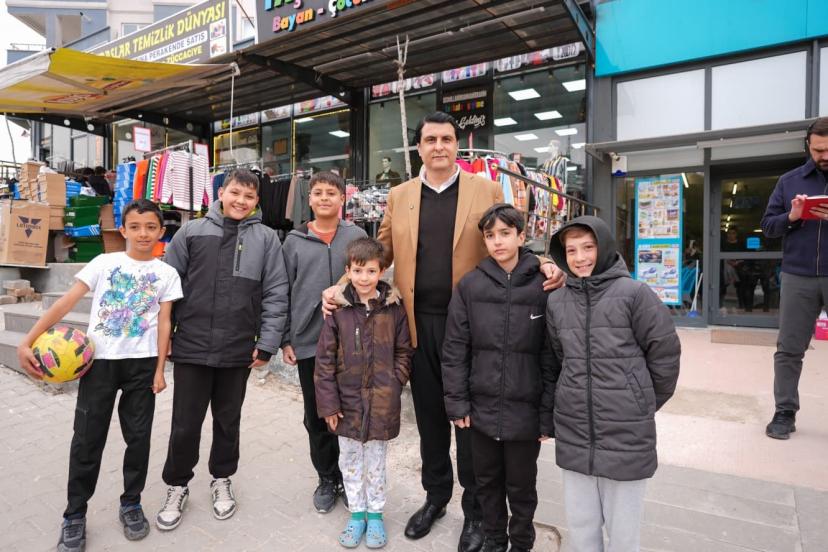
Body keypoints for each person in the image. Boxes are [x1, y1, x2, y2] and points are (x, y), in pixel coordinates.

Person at [323, 112, 565, 552]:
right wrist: (342, 287)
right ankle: (435, 496)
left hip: (473, 326)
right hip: (417, 325)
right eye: (431, 139)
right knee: (431, 421)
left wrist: (545, 263)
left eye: (447, 139)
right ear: (419, 147)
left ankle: (476, 510)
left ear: (457, 145)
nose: (439, 146)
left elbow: (506, 239)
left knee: (469, 423)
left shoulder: (485, 189)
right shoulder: (400, 195)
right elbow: (380, 253)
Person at [17, 199, 183, 552]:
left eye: (150, 227)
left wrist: (159, 370)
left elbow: (165, 322)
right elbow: (65, 302)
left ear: (161, 232)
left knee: (138, 439)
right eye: (135, 227)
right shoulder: (105, 263)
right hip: (99, 365)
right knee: (87, 440)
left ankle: (131, 503)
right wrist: (28, 340)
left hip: (142, 365)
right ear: (122, 230)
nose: (142, 233)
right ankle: (74, 514)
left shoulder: (167, 273)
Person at [156, 168, 289, 530]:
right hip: (192, 345)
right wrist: (166, 337)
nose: (240, 201)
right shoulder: (192, 232)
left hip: (237, 347)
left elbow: (276, 293)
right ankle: (177, 485)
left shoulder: (266, 239)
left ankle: (221, 479)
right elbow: (167, 289)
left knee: (228, 421)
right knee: (185, 423)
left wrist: (268, 343)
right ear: (221, 193)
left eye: (249, 196)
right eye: (235, 193)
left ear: (257, 201)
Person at [545, 216, 680, 552]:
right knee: (581, 527)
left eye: (588, 247)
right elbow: (559, 358)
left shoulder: (634, 294)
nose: (580, 258)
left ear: (604, 247)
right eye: (571, 250)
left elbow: (665, 355)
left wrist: (641, 401)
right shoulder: (557, 302)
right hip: (575, 430)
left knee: (623, 533)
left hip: (625, 432)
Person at [442, 204, 556, 552]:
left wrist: (547, 415)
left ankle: (521, 543)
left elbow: (551, 357)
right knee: (486, 483)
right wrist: (457, 402)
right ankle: (494, 540)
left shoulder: (543, 286)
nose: (497, 241)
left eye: (505, 233)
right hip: (481, 410)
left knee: (522, 487)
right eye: (490, 235)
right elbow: (455, 348)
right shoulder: (470, 285)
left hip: (525, 413)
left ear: (522, 237)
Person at [314, 237, 414, 549]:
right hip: (346, 405)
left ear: (382, 271)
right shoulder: (338, 311)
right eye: (357, 271)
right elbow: (324, 361)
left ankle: (376, 515)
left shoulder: (394, 308)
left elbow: (404, 351)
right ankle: (357, 514)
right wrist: (329, 404)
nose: (364, 278)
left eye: (371, 271)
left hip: (382, 402)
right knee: (350, 461)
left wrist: (395, 382)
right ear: (348, 271)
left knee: (376, 463)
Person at [280, 171, 367, 513]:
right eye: (318, 193)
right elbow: (283, 290)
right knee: (317, 413)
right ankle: (327, 477)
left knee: (349, 411)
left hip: (352, 341)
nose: (325, 198)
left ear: (343, 198)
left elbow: (370, 280)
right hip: (309, 341)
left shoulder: (356, 235)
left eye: (332, 192)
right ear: (310, 199)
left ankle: (348, 476)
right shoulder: (294, 241)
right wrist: (286, 338)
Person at [760, 116, 828, 440]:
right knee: (788, 349)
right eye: (818, 150)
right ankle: (784, 412)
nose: (824, 156)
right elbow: (768, 226)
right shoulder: (789, 181)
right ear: (808, 146)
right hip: (798, 276)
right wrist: (792, 216)